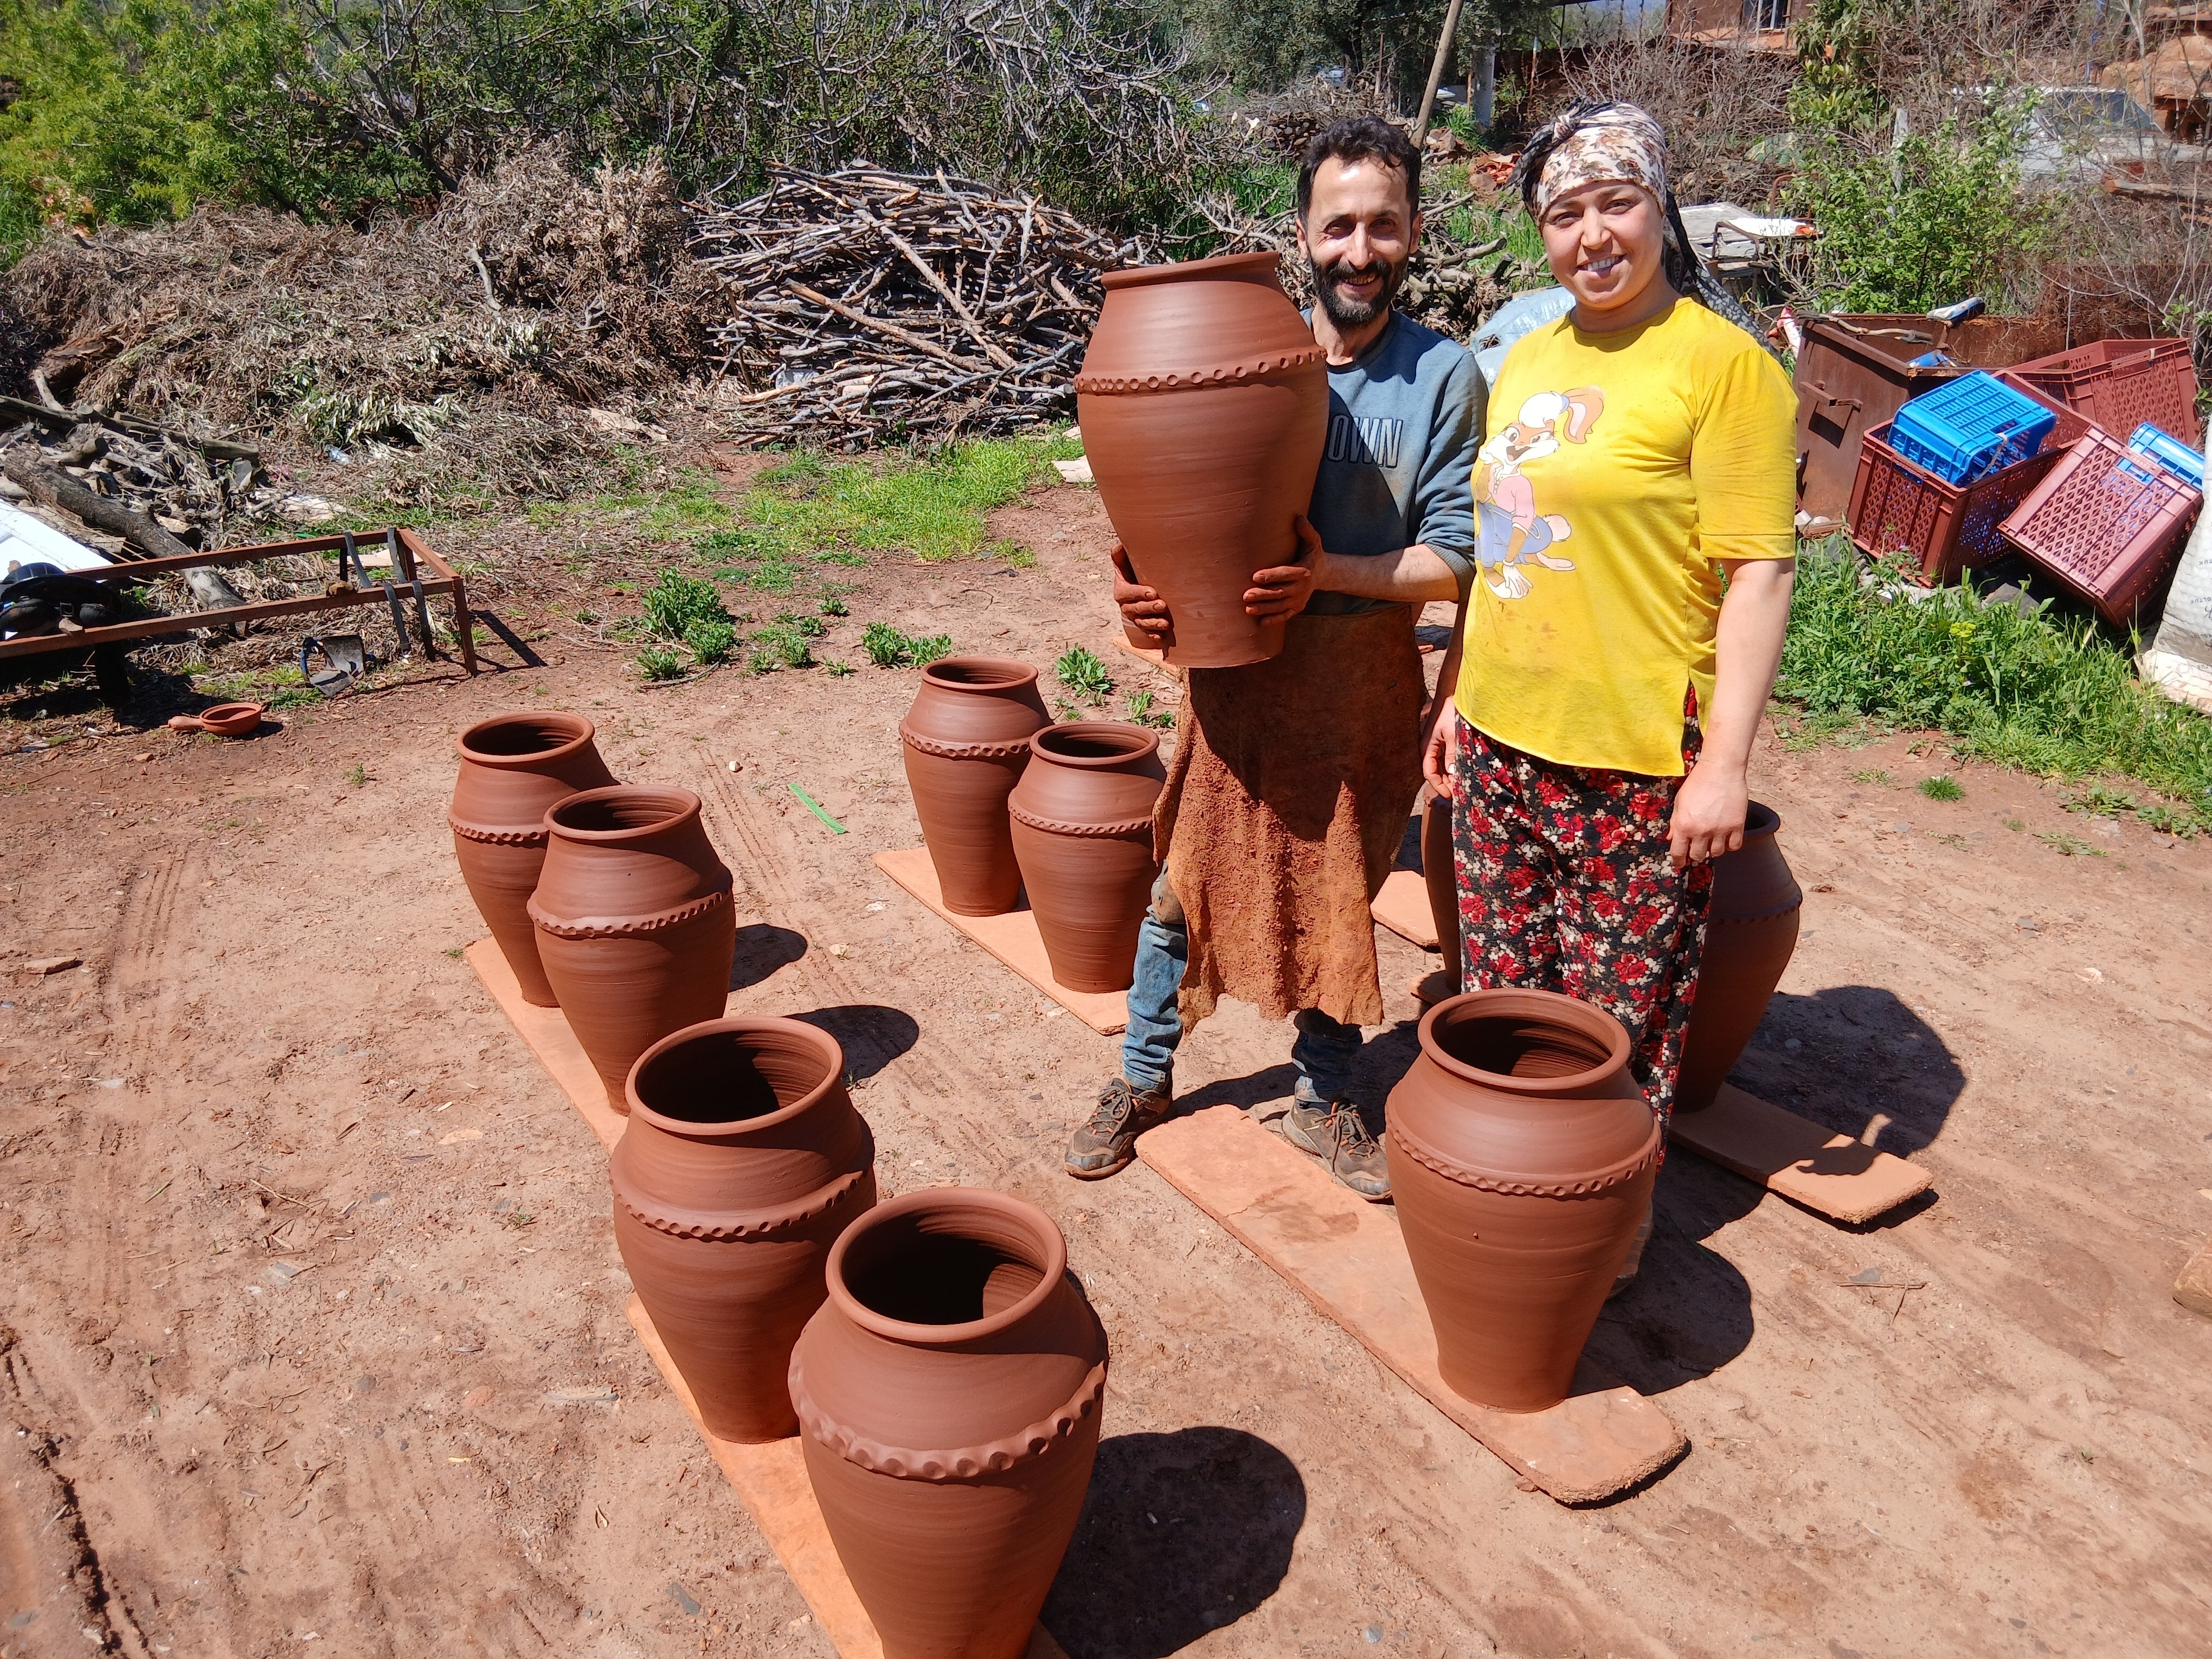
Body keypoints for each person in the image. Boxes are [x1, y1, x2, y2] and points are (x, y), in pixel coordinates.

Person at [1063, 115, 1487, 1200]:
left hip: (1359, 690)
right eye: (1338, 224)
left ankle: (1323, 1098)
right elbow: (1166, 526)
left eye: (1383, 226)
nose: (1360, 249)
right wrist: (1141, 597)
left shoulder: (1443, 377)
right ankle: (1143, 1075)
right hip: (1238, 685)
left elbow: (1455, 561)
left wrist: (1321, 579)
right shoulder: (1237, 355)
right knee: (1179, 887)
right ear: (1301, 232)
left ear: (1414, 232)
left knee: (1342, 895)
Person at [1423, 101, 1797, 1282]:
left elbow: (1760, 575)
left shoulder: (1725, 368)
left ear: (1661, 210)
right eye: (1564, 213)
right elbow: (1498, 554)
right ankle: (1508, 1205)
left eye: (1616, 204)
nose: (1592, 235)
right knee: (1498, 997)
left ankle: (1601, 1224)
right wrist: (1453, 702)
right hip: (1497, 739)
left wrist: (1725, 764)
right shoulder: (1528, 358)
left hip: (1638, 759)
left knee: (1617, 1022)